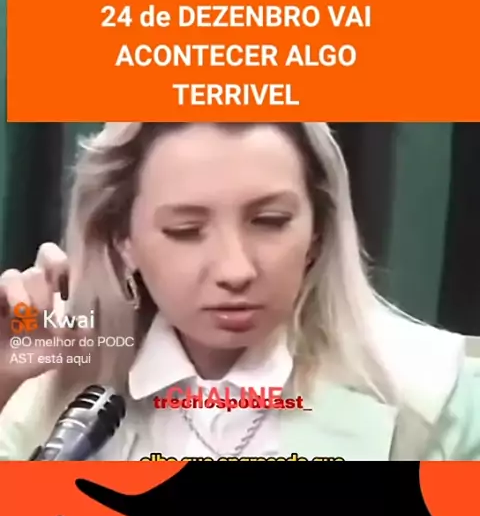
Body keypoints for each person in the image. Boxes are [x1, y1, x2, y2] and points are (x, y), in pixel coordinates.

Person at [0, 121, 479, 461]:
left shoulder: (437, 397)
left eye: (270, 222)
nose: (235, 270)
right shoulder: (41, 402)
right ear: (123, 240)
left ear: (318, 230)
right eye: (186, 230)